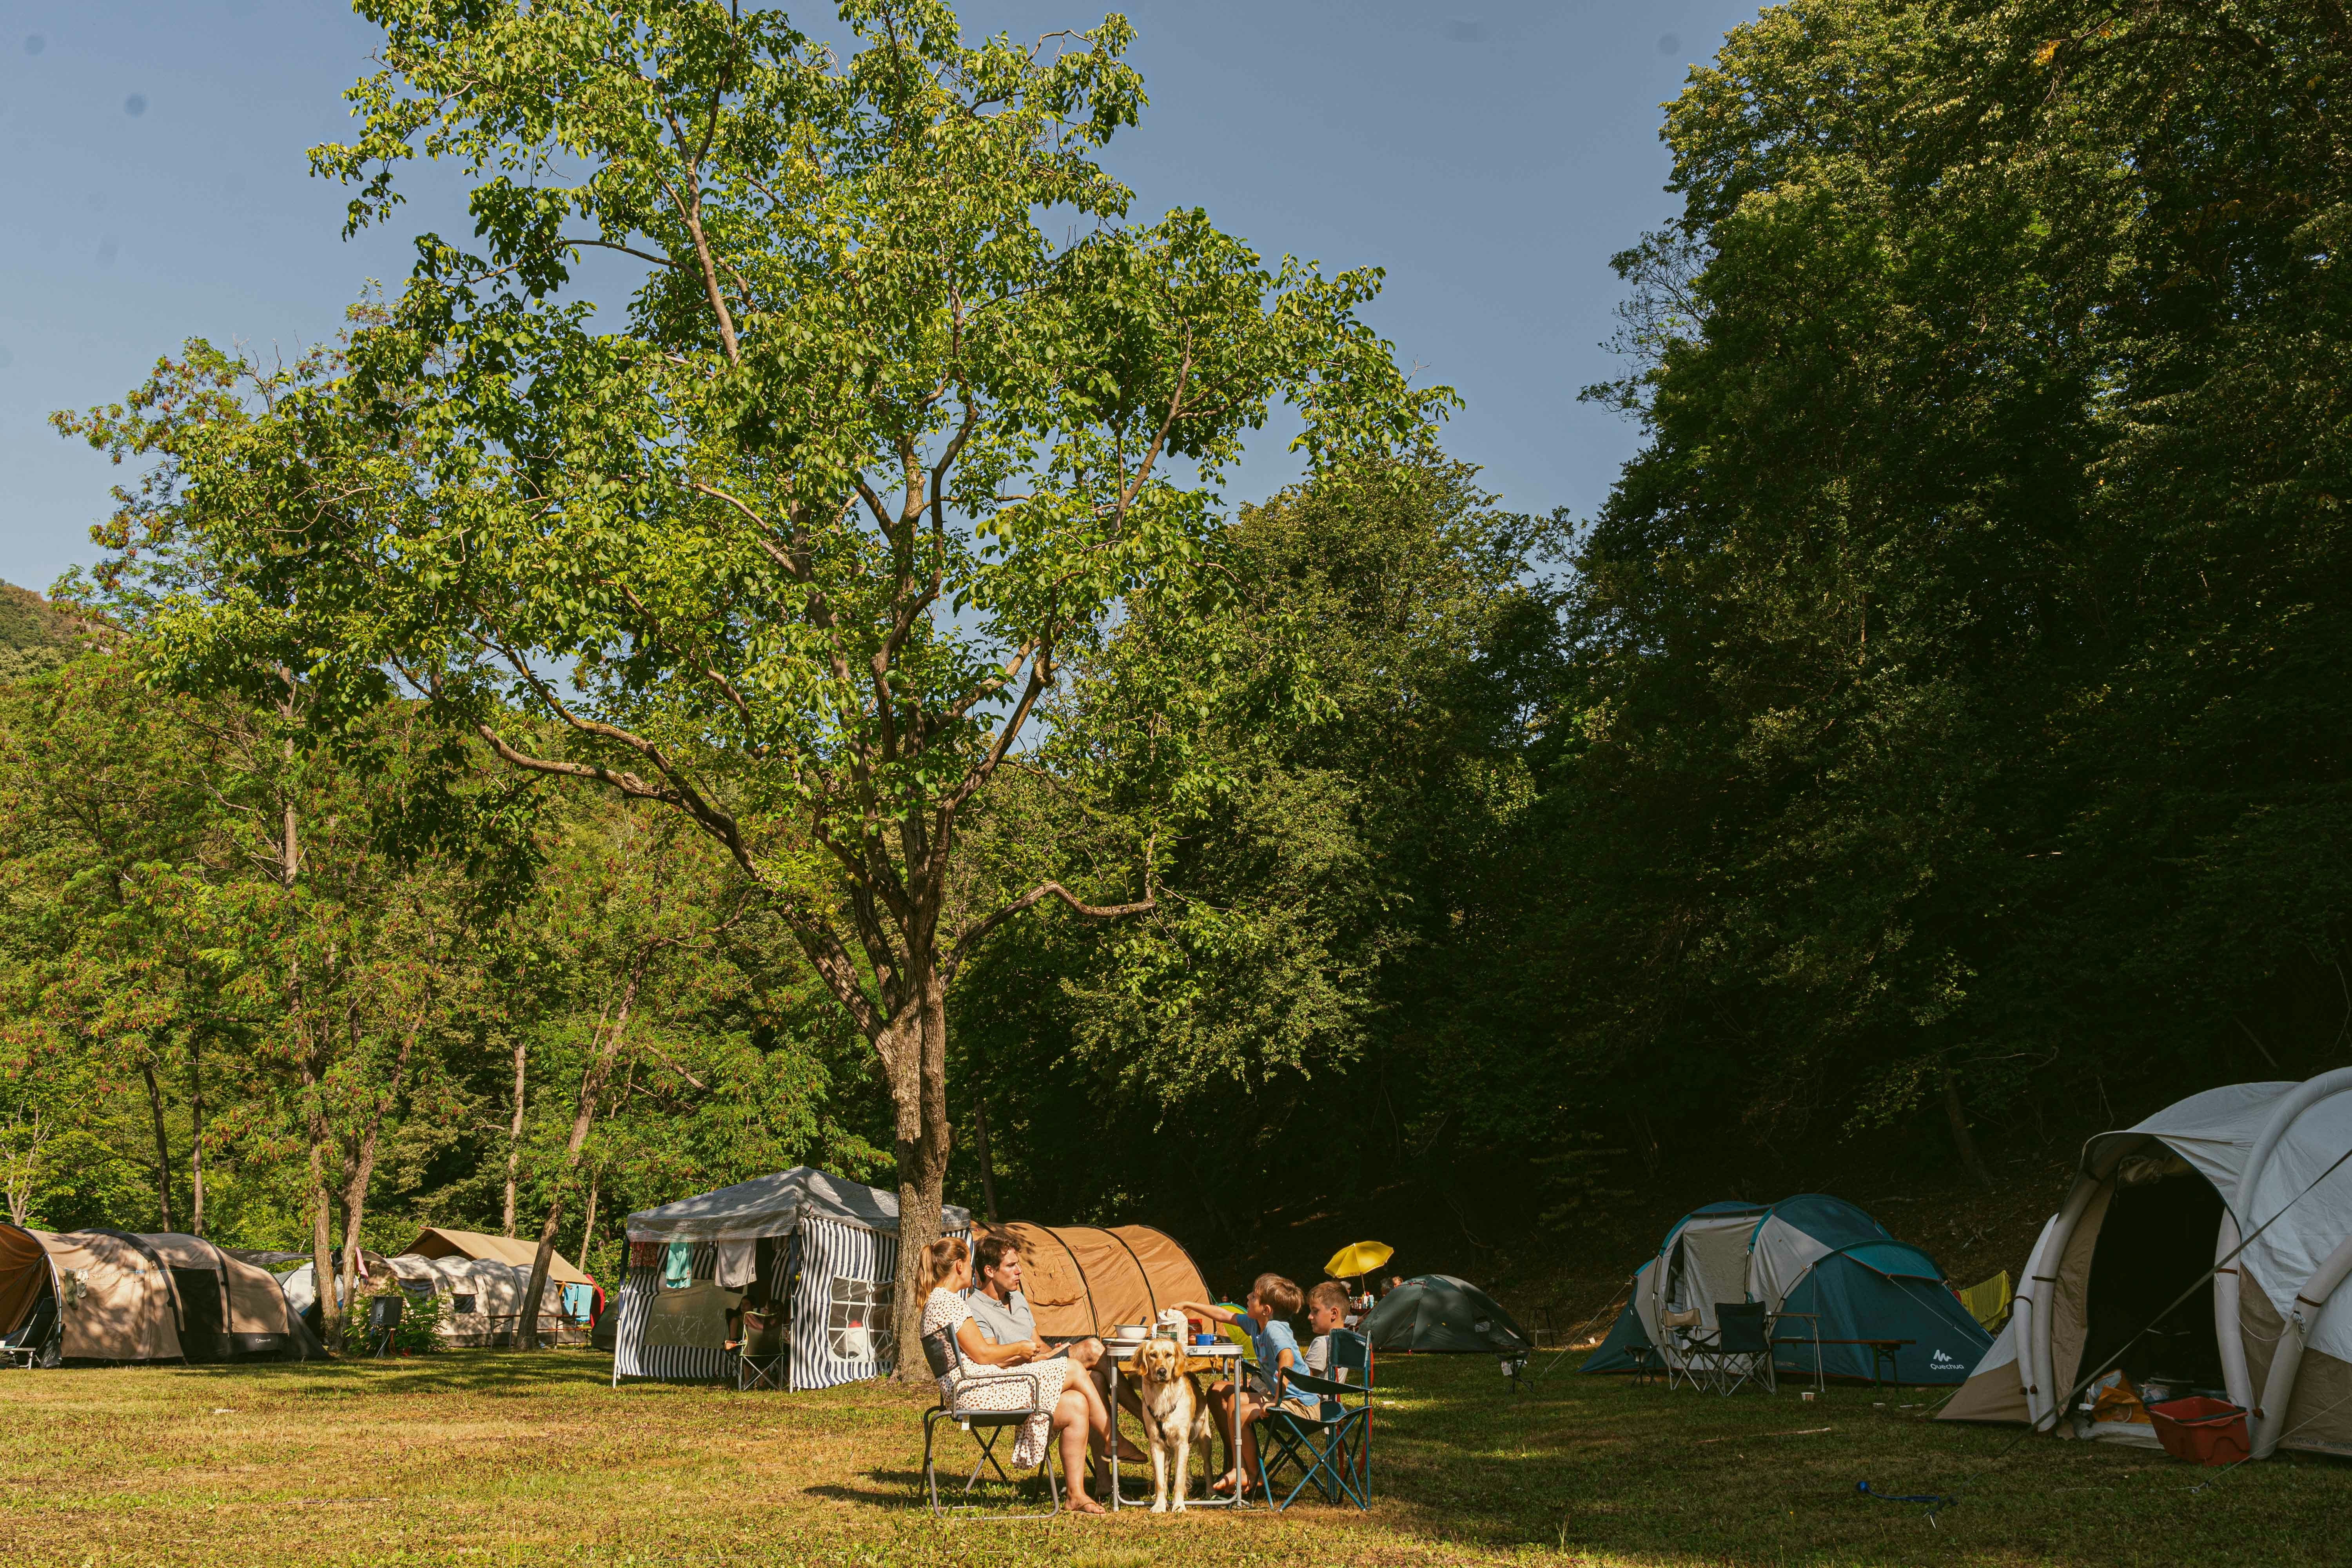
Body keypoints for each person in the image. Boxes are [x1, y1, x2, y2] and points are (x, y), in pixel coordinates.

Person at [915, 1236, 1103, 1514]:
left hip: (977, 1385)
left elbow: (978, 1357)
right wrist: (1020, 1348)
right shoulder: (949, 1303)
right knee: (1074, 1367)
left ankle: (1076, 1495)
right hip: (975, 1392)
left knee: (1076, 1404)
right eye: (969, 1264)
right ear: (958, 1266)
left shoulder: (940, 1301)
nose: (973, 1271)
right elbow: (982, 1354)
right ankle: (1112, 1439)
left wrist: (1024, 1354)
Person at [962, 1234, 1141, 1492]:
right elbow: (994, 1358)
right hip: (1020, 1378)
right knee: (1092, 1348)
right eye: (1011, 1266)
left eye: (1018, 1265)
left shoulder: (1018, 1299)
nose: (1019, 1271)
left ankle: (1103, 1483)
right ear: (990, 1271)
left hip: (1042, 1366)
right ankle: (1138, 1425)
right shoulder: (975, 1308)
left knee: (1097, 1379)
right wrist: (1044, 1357)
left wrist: (1054, 1351)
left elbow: (1038, 1343)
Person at [1174, 1272, 1305, 1497]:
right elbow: (1224, 1314)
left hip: (1295, 1400)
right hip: (1279, 1393)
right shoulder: (1256, 1324)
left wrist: (1276, 1400)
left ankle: (1252, 1475)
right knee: (1224, 1394)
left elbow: (1287, 1358)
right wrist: (1188, 1304)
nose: (1248, 1297)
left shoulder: (1275, 1329)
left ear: (1267, 1310)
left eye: (1254, 1296)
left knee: (1238, 1406)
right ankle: (1238, 1467)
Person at [1303, 1280, 1352, 1383]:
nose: (1310, 1316)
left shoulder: (1323, 1343)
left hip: (1312, 1399)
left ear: (1334, 1313)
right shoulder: (1346, 1340)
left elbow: (1303, 1383)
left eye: (1315, 1311)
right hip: (1332, 1398)